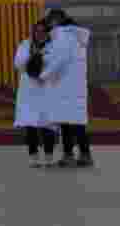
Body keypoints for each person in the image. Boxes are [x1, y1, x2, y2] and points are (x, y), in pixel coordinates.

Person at [39, 9, 93, 167]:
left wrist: (43, 75)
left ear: (56, 20)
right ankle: (84, 154)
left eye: (49, 21)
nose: (48, 24)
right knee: (76, 123)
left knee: (67, 123)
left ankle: (70, 155)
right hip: (75, 86)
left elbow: (60, 59)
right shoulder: (75, 36)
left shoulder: (63, 35)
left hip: (64, 86)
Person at [13, 20, 57, 167]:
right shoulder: (25, 45)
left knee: (48, 124)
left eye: (43, 31)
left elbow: (58, 64)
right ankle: (33, 156)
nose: (40, 34)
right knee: (30, 124)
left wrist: (43, 73)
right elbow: (18, 63)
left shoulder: (54, 46)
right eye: (37, 31)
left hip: (47, 88)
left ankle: (49, 156)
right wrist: (32, 58)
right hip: (29, 90)